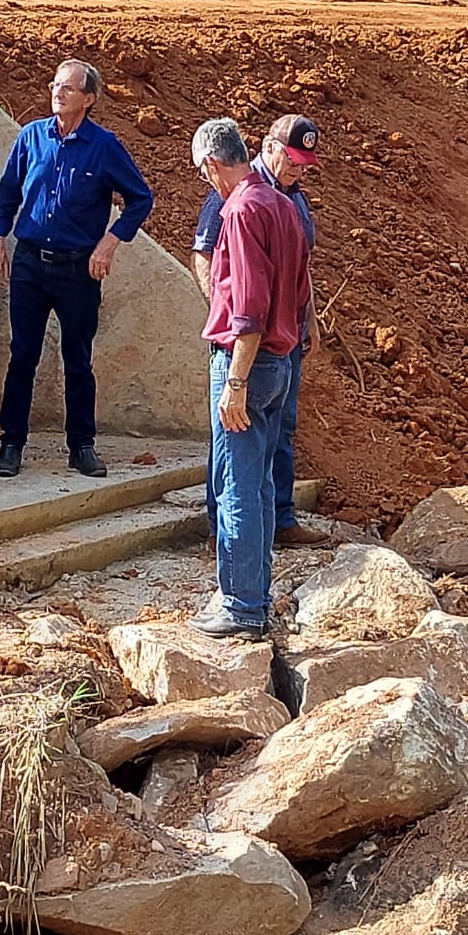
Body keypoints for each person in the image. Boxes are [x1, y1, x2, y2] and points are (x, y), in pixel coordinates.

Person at [0, 58, 154, 480]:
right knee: (22, 355)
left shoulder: (104, 146)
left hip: (78, 270)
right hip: (28, 262)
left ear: (88, 99)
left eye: (68, 87)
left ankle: (82, 445)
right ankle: (11, 444)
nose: (57, 92)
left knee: (77, 359)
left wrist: (110, 242)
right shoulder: (31, 137)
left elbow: (140, 199)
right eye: (55, 84)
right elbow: (8, 193)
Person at [190, 118, 310, 641]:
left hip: (248, 363)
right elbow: (299, 287)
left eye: (203, 173)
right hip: (281, 362)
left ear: (214, 163)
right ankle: (254, 594)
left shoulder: (239, 209)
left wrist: (234, 381)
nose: (206, 183)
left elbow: (248, 306)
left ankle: (240, 606)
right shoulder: (284, 206)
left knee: (236, 486)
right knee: (259, 485)